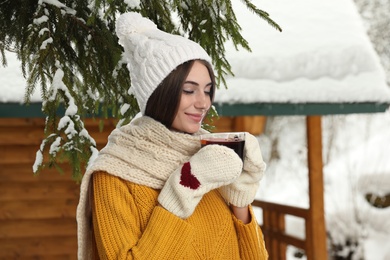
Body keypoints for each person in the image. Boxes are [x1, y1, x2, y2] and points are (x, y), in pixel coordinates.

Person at [77, 12, 268, 260]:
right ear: (160, 94)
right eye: (189, 90)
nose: (203, 103)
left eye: (208, 91)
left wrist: (240, 196)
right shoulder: (114, 175)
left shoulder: (210, 158)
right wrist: (182, 191)